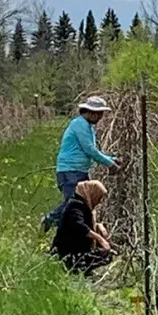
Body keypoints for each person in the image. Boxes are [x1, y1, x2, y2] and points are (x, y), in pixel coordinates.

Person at [42, 96, 121, 232]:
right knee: (74, 204)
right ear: (91, 112)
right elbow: (89, 149)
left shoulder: (86, 126)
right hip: (70, 171)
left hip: (78, 171)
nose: (101, 117)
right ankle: (49, 221)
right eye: (100, 113)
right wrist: (110, 164)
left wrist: (111, 159)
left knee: (82, 204)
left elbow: (92, 151)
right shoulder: (79, 124)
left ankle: (67, 230)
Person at [51, 180, 114, 276]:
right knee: (105, 256)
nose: (99, 201)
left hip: (78, 250)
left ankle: (83, 270)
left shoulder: (82, 206)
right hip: (67, 254)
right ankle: (76, 269)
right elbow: (79, 226)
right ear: (92, 194)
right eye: (99, 198)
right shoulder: (74, 207)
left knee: (107, 255)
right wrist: (100, 239)